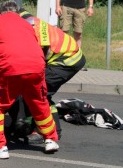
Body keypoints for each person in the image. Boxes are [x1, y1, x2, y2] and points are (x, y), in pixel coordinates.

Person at [0, 0, 59, 159]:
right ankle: (50, 139)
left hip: (10, 68)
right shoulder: (27, 24)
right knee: (39, 102)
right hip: (36, 67)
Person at [14, 7, 86, 140]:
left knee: (39, 92)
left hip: (66, 60)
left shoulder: (32, 28)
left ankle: (47, 132)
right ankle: (39, 129)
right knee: (43, 93)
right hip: (66, 57)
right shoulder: (26, 18)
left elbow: (42, 53)